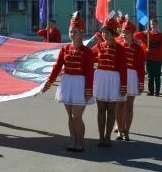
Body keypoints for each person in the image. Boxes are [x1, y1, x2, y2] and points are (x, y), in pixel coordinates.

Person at [41, 12, 94, 153]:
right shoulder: (64, 49)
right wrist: (48, 83)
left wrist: (88, 90)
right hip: (67, 83)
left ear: (81, 33)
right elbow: (56, 67)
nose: (72, 34)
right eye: (71, 31)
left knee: (76, 116)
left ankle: (81, 143)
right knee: (70, 117)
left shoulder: (87, 52)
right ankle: (73, 141)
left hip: (80, 84)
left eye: (75, 32)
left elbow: (90, 73)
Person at [92, 15, 127, 147]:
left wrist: (123, 86)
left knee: (111, 109)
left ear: (113, 34)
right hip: (101, 78)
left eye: (107, 32)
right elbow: (89, 57)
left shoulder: (121, 49)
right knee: (101, 109)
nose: (104, 34)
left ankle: (108, 137)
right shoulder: (98, 46)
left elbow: (123, 69)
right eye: (103, 32)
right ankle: (101, 137)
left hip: (114, 79)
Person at [115, 19, 145, 141]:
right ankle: (119, 130)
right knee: (119, 104)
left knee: (129, 105)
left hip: (132, 77)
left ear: (131, 33)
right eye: (122, 32)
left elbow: (140, 67)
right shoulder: (119, 45)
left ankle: (127, 131)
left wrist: (141, 83)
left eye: (126, 32)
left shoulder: (137, 48)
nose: (123, 34)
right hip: (121, 76)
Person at [144, 19, 162, 96]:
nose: (153, 25)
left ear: (157, 25)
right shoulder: (147, 34)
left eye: (154, 24)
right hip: (149, 58)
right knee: (150, 76)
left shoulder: (161, 35)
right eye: (151, 24)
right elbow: (135, 35)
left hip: (158, 59)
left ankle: (157, 91)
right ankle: (151, 91)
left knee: (157, 76)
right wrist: (144, 32)